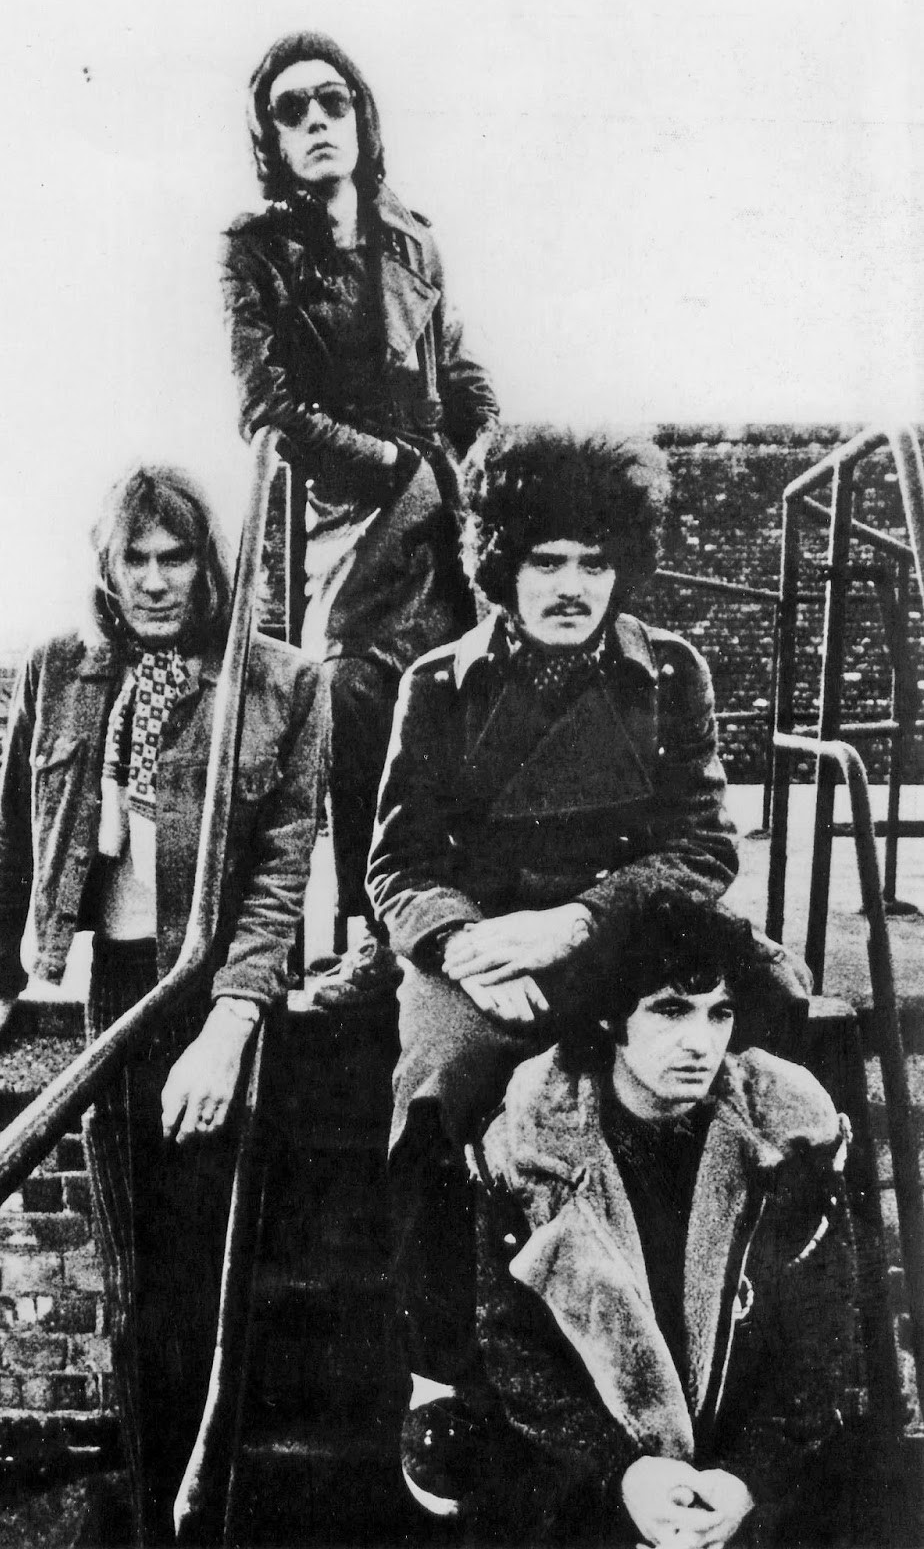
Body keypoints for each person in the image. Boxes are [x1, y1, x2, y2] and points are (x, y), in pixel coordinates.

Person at [367, 425, 793, 1514]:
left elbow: (702, 845)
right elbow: (398, 863)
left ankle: (745, 1372)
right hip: (482, 952)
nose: (571, 586)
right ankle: (439, 1378)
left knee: (774, 1040)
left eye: (595, 562)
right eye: (545, 560)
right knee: (442, 1079)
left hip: (621, 938)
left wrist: (579, 921)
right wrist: (460, 947)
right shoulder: (438, 684)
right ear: (500, 563)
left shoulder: (672, 672)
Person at [0, 465, 327, 1546]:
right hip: (116, 996)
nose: (156, 581)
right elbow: (18, 833)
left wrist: (230, 1023)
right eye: (136, 559)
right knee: (137, 1278)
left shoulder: (282, 683)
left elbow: (281, 876)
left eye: (177, 557)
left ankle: (221, 1510)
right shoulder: (60, 670)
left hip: (223, 999)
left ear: (210, 565)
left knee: (216, 1276)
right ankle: (158, 1512)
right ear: (107, 568)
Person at [222, 30, 498, 1006]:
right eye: (291, 111)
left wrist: (484, 452)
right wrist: (389, 465)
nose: (316, 122)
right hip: (340, 517)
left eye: (332, 102)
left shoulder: (413, 238)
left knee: (466, 691)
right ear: (271, 138)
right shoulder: (257, 253)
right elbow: (267, 406)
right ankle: (375, 932)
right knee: (346, 692)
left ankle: (462, 919)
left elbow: (457, 372)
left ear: (361, 116)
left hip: (439, 514)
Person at [472, 894, 857, 1547]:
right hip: (593, 1488)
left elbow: (823, 1346)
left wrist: (743, 1483)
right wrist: (625, 1476)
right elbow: (515, 1353)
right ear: (610, 1017)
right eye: (671, 1010)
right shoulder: (531, 1145)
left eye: (719, 1013)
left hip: (746, 1490)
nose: (699, 1042)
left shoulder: (789, 1133)